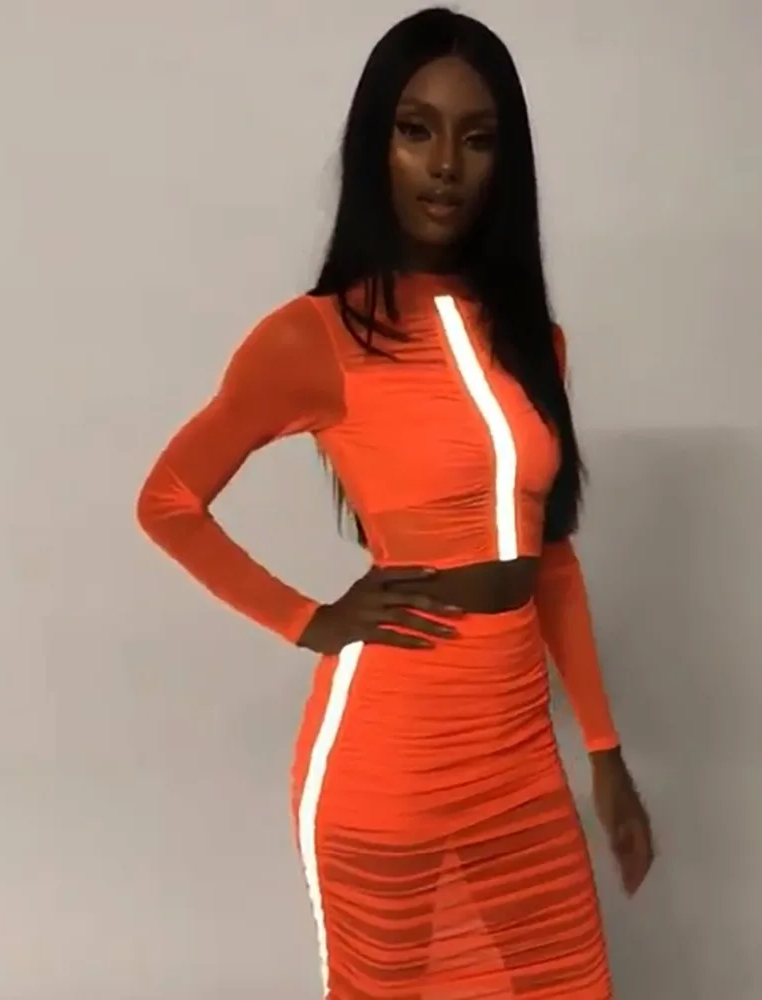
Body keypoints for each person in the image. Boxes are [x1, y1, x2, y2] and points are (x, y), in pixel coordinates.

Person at [136, 6, 653, 998]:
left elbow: (549, 558)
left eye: (477, 138)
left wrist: (604, 752)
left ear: (506, 162)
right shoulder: (316, 337)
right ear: (375, 144)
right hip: (388, 755)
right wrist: (310, 620)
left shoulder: (532, 343)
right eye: (416, 130)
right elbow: (167, 500)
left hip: (515, 751)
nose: (446, 165)